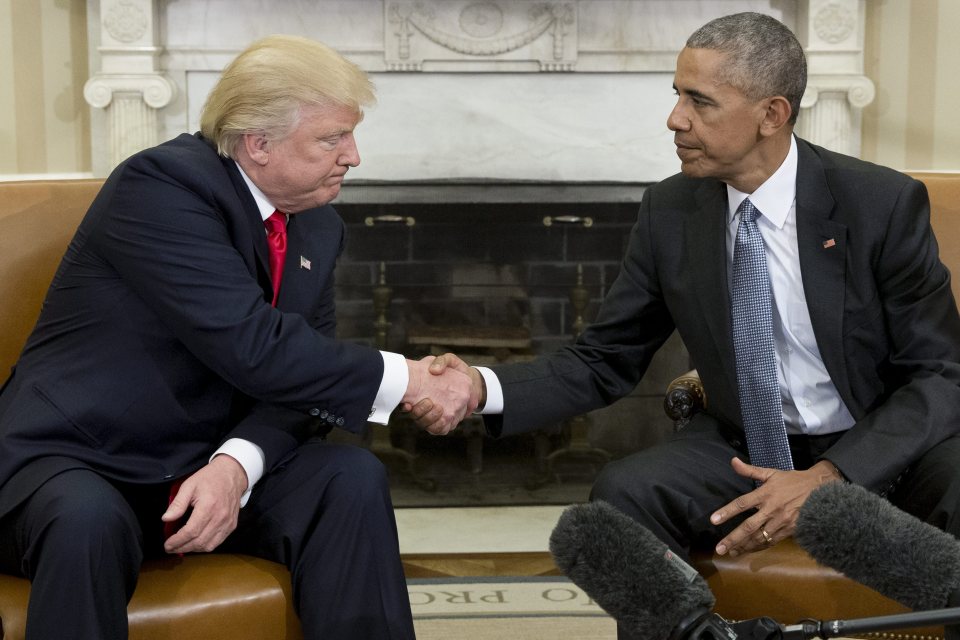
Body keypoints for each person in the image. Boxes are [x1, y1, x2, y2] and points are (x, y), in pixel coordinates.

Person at [417, 12, 960, 639]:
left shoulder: (879, 204)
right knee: (624, 492)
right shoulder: (670, 210)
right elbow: (604, 358)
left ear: (772, 113)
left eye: (699, 101)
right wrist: (481, 389)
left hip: (878, 444)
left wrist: (830, 477)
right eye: (677, 95)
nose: (675, 119)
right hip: (744, 449)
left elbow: (941, 373)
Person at [0, 35, 477, 640]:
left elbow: (303, 382)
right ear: (259, 143)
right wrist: (407, 377)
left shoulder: (318, 225)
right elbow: (253, 344)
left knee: (348, 479)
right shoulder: (161, 187)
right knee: (85, 520)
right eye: (333, 138)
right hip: (80, 457)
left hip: (201, 465)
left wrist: (236, 465)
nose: (353, 156)